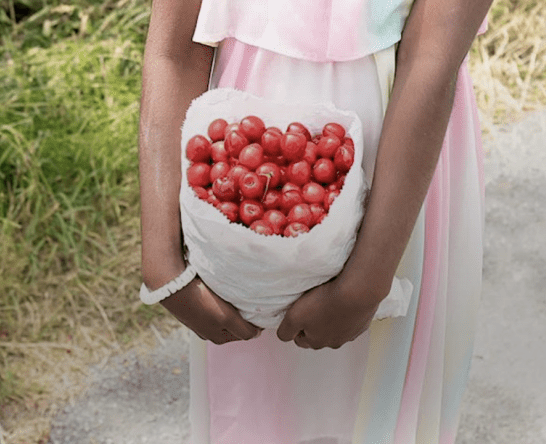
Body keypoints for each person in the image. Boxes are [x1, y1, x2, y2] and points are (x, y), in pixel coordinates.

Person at [137, 0, 492, 442]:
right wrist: (161, 261)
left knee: (377, 404)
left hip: (398, 161)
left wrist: (366, 281)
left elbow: (432, 59)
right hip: (244, 152)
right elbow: (175, 48)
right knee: (256, 407)